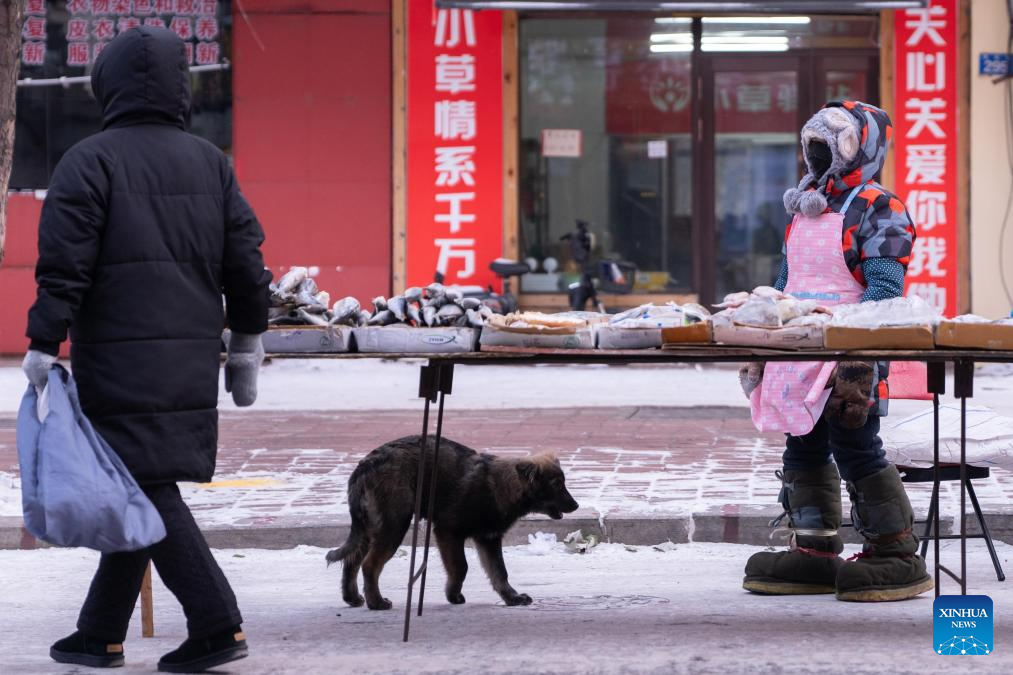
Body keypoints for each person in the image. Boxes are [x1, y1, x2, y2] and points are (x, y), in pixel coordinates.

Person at [21, 27, 271, 672]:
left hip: (118, 358)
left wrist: (44, 341)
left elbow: (63, 268)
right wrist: (245, 343)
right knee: (138, 479)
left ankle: (218, 625)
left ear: (106, 85)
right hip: (188, 360)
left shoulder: (89, 160)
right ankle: (98, 633)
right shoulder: (210, 161)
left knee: (143, 482)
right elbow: (247, 264)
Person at [740, 100, 932, 602]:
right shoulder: (803, 207)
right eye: (814, 148)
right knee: (801, 442)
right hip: (799, 348)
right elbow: (788, 281)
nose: (818, 158)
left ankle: (896, 553)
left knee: (855, 444)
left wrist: (858, 356)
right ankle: (814, 551)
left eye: (830, 148)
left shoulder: (879, 207)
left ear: (861, 149)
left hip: (851, 349)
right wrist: (765, 327)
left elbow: (884, 289)